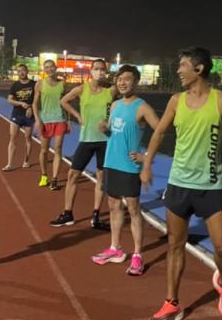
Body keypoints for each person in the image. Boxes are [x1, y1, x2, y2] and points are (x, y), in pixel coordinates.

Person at [140, 47, 222, 320]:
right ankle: (172, 303)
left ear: (198, 69)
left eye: (182, 65)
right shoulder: (176, 100)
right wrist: (147, 164)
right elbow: (159, 132)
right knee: (175, 245)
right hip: (178, 185)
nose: (178, 71)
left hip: (210, 186)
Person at [92, 65, 160, 276]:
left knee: (133, 208)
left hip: (129, 166)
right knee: (113, 205)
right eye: (119, 79)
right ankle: (116, 248)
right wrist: (105, 130)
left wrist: (147, 157)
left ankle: (138, 254)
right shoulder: (115, 105)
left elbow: (161, 131)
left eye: (127, 79)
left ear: (136, 82)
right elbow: (114, 133)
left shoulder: (143, 107)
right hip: (111, 162)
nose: (122, 82)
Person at [50, 59, 114, 229]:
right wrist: (78, 116)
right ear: (91, 71)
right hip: (86, 140)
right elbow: (64, 101)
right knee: (73, 175)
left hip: (105, 140)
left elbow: (122, 104)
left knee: (101, 178)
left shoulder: (110, 91)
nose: (99, 72)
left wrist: (110, 121)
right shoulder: (82, 89)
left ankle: (96, 216)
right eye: (96, 69)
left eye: (102, 69)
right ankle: (68, 213)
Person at [33, 59, 69, 189]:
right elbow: (35, 103)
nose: (49, 69)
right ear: (44, 69)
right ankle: (44, 175)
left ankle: (54, 179)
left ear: (55, 67)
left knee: (58, 148)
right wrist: (37, 119)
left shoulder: (62, 84)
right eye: (46, 67)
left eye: (51, 67)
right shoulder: (40, 84)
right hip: (45, 120)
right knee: (44, 150)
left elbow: (66, 103)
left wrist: (68, 120)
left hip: (60, 119)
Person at [3, 64, 36, 171]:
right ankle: (9, 164)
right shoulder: (15, 85)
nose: (21, 73)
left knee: (28, 138)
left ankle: (26, 161)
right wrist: (21, 103)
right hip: (17, 114)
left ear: (27, 71)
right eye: (19, 71)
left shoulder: (34, 84)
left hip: (29, 116)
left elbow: (37, 100)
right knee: (13, 138)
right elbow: (9, 100)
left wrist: (31, 107)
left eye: (23, 70)